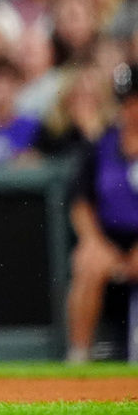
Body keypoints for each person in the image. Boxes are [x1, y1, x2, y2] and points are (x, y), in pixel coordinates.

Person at [64, 63, 138, 363]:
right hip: (110, 238)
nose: (131, 108)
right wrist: (94, 241)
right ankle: (79, 355)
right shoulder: (101, 144)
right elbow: (81, 202)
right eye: (127, 100)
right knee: (86, 262)